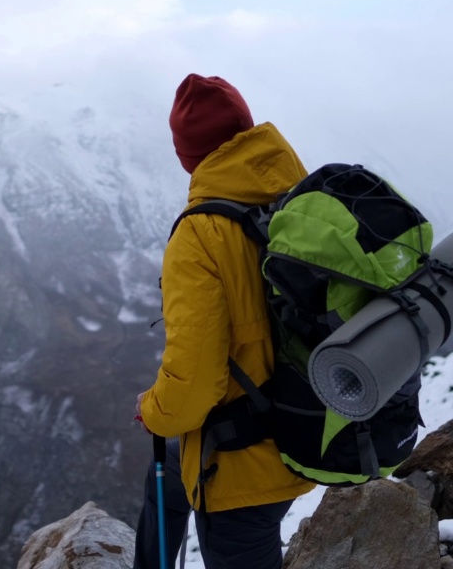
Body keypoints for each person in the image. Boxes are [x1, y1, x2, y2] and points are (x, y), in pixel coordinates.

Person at [133, 74, 314, 569]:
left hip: (243, 466)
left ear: (187, 156)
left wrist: (154, 410)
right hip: (313, 423)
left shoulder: (200, 234)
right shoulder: (301, 199)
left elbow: (194, 382)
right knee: (166, 478)